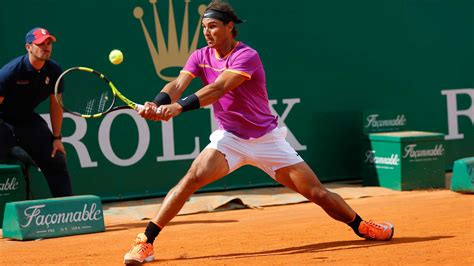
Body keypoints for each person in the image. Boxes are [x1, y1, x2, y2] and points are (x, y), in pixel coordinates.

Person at [124, 0, 394, 264]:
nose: (207, 32)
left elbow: (219, 88)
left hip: (267, 140)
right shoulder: (199, 56)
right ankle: (145, 242)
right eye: (204, 26)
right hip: (230, 139)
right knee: (192, 177)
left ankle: (361, 226)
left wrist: (178, 108)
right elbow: (178, 83)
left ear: (230, 26)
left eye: (214, 26)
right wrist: (157, 103)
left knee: (317, 193)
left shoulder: (246, 56)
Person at [0, 27, 73, 197]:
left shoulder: (54, 71)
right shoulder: (10, 72)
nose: (46, 47)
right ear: (28, 47)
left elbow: (56, 104)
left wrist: (57, 138)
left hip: (27, 120)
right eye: (40, 44)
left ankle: (68, 213)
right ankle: (11, 148)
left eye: (48, 43)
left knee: (57, 158)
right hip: (2, 120)